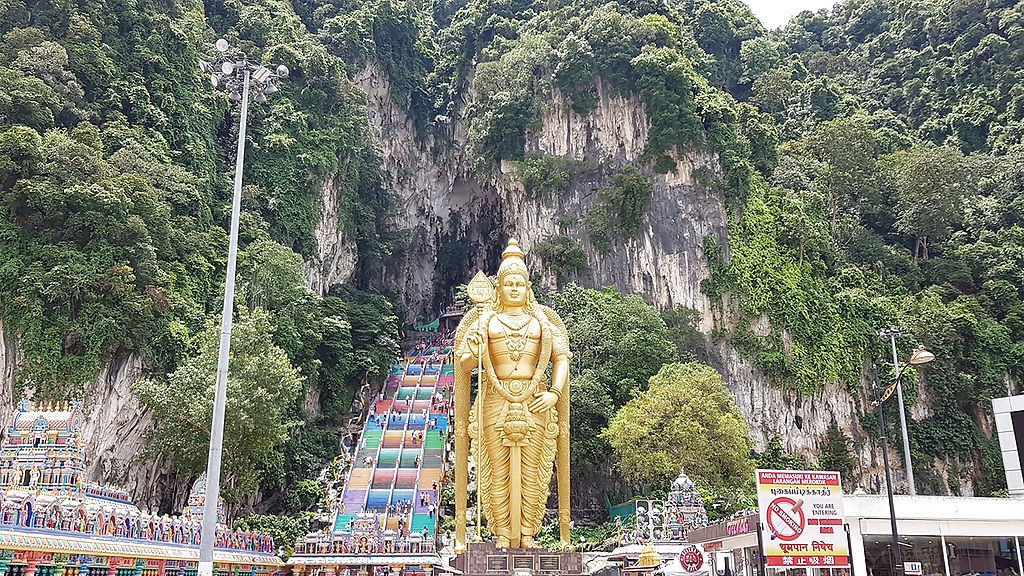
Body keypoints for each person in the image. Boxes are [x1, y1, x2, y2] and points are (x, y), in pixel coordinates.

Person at [453, 239, 571, 552]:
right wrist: (475, 350)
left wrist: (554, 393)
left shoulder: (543, 321)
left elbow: (561, 359)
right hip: (495, 398)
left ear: (528, 287)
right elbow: (464, 365)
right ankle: (503, 534)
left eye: (519, 283)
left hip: (536, 400)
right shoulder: (485, 321)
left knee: (533, 472)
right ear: (499, 288)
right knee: (497, 472)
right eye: (509, 284)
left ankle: (528, 534)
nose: (514, 289)